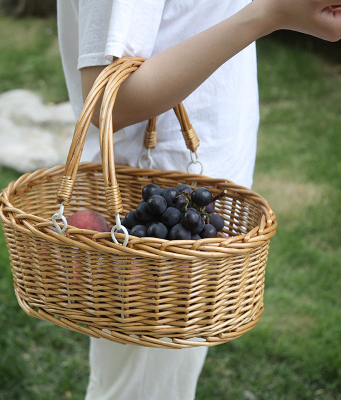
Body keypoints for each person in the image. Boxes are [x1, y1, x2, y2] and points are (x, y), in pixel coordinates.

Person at [56, 1, 341, 399]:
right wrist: (271, 14)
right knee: (139, 390)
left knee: (165, 384)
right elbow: (111, 100)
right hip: (156, 224)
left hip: (200, 196)